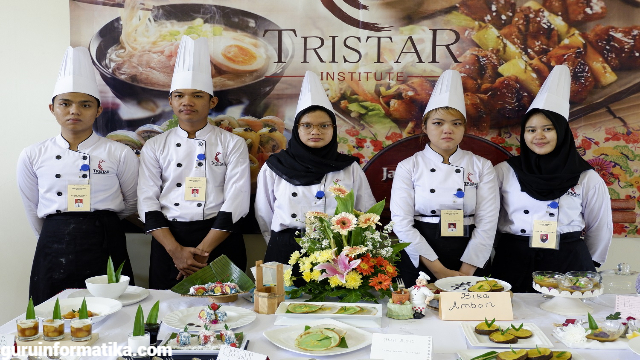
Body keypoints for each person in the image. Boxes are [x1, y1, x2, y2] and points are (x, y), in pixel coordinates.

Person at [17, 47, 138, 305]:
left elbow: (131, 202)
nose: (75, 111)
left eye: (85, 104)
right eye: (65, 103)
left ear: (98, 110)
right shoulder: (33, 154)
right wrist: (56, 231)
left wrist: (102, 221)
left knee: (113, 312)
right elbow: (32, 207)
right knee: (52, 314)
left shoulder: (119, 152)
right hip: (53, 240)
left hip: (105, 239)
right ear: (52, 108)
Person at [138, 36, 250, 290]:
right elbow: (147, 201)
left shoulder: (232, 144)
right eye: (179, 95)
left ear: (212, 102)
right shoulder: (155, 145)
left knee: (227, 315)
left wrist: (202, 251)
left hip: (220, 239)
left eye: (197, 95)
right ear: (171, 101)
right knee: (168, 315)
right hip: (169, 241)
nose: (187, 102)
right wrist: (176, 251)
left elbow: (237, 201)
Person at [491, 65, 613, 293]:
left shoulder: (586, 177)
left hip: (569, 262)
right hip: (513, 260)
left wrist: (589, 267)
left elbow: (600, 227)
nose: (538, 136)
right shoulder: (503, 171)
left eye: (547, 128)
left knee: (568, 324)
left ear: (562, 132)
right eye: (530, 130)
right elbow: (489, 221)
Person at [255, 71, 376, 268]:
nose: (315, 131)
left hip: (338, 250)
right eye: (307, 125)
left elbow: (365, 211)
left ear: (333, 129)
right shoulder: (275, 166)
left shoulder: (350, 167)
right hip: (286, 249)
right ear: (296, 128)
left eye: (324, 125)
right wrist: (280, 244)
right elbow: (264, 213)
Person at [391, 70, 499, 287]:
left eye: (456, 123)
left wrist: (465, 273)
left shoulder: (481, 166)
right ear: (425, 127)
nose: (447, 129)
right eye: (438, 123)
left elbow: (487, 223)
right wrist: (440, 271)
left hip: (470, 256)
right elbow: (402, 224)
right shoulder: (408, 166)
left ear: (464, 128)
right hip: (422, 255)